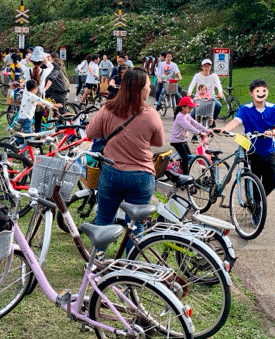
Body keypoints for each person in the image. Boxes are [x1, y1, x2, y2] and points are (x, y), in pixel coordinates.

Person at [86, 67, 164, 249]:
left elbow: (91, 132)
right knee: (135, 226)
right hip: (141, 175)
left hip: (111, 173)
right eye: (147, 85)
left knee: (103, 220)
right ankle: (131, 268)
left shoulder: (108, 109)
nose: (150, 89)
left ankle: (96, 263)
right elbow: (159, 142)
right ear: (139, 89)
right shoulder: (151, 115)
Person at [216, 78, 275, 196]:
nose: (261, 94)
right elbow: (236, 121)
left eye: (264, 90)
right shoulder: (245, 109)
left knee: (271, 182)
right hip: (250, 147)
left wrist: (272, 132)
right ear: (251, 93)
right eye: (257, 91)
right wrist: (225, 129)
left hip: (268, 148)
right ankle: (253, 204)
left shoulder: (273, 108)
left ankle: (259, 199)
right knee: (252, 177)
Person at [170, 96, 212, 174]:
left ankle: (184, 170)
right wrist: (199, 133)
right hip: (176, 140)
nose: (191, 109)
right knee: (185, 157)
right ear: (183, 107)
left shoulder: (187, 115)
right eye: (189, 107)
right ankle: (185, 177)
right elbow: (189, 127)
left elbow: (195, 123)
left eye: (192, 108)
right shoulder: (180, 117)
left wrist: (207, 130)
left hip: (182, 140)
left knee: (189, 156)